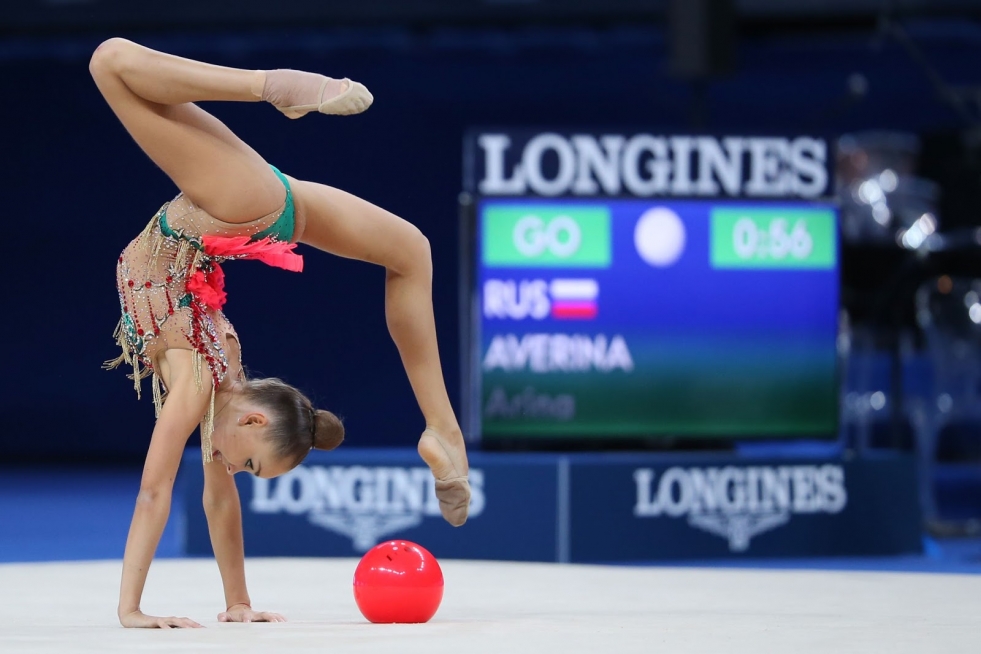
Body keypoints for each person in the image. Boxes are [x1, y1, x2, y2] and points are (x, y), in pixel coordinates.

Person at [89, 37, 470, 629]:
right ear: (254, 421)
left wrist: (237, 603)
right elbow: (153, 492)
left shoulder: (221, 391)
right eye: (253, 465)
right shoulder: (198, 384)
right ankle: (272, 84)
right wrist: (130, 609)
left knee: (413, 253)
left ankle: (444, 433)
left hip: (276, 206)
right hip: (237, 207)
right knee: (109, 62)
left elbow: (219, 502)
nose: (236, 472)